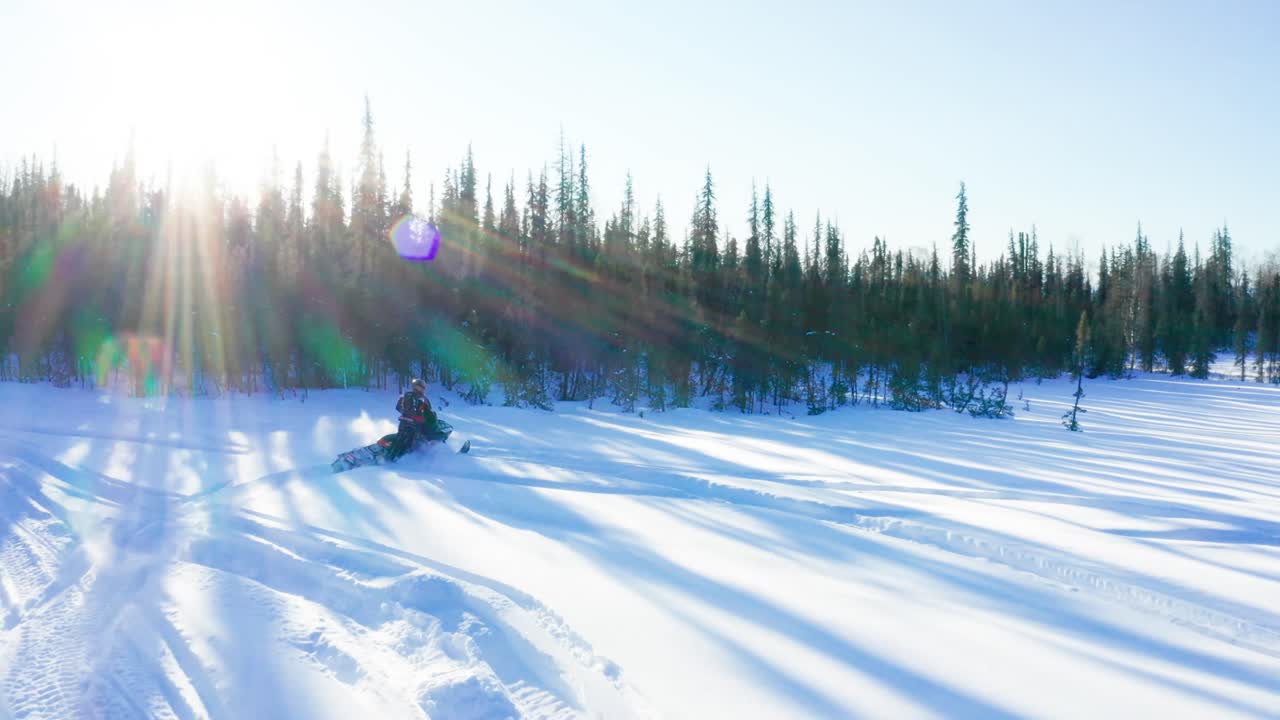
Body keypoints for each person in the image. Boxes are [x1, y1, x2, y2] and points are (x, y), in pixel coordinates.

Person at [386, 378, 436, 461]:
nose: (423, 389)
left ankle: (390, 454)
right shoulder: (423, 399)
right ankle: (400, 460)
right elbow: (429, 414)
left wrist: (406, 414)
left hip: (403, 422)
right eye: (422, 387)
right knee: (414, 443)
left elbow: (398, 407)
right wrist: (428, 419)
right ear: (420, 387)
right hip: (416, 425)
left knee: (400, 437)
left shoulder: (406, 395)